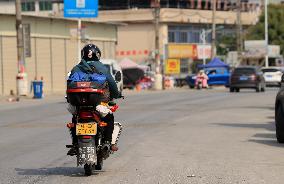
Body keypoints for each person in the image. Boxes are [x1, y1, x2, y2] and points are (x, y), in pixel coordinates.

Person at [67, 44, 121, 155]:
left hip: (78, 104)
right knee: (109, 117)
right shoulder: (102, 68)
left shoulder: (75, 68)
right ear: (97, 55)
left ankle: (75, 143)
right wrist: (116, 94)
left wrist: (70, 99)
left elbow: (69, 86)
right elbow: (112, 84)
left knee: (75, 118)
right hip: (97, 104)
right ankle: (107, 142)